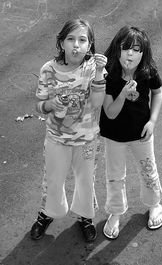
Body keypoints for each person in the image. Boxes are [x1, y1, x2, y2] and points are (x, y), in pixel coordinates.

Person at [30, 18, 107, 242]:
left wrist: (100, 72)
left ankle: (85, 216)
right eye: (70, 39)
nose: (76, 45)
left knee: (86, 180)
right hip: (56, 138)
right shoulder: (48, 70)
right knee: (53, 179)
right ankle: (47, 214)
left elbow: (97, 102)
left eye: (82, 40)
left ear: (90, 45)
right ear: (61, 43)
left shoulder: (94, 68)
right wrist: (50, 105)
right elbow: (39, 104)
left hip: (87, 139)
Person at [99, 25, 162, 239]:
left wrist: (152, 121)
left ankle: (154, 204)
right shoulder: (109, 74)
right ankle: (115, 213)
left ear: (143, 53)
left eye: (136, 49)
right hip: (114, 135)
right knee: (115, 177)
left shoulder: (147, 70)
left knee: (149, 171)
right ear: (117, 49)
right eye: (126, 47)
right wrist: (123, 93)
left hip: (141, 133)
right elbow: (109, 113)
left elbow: (157, 92)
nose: (130, 53)